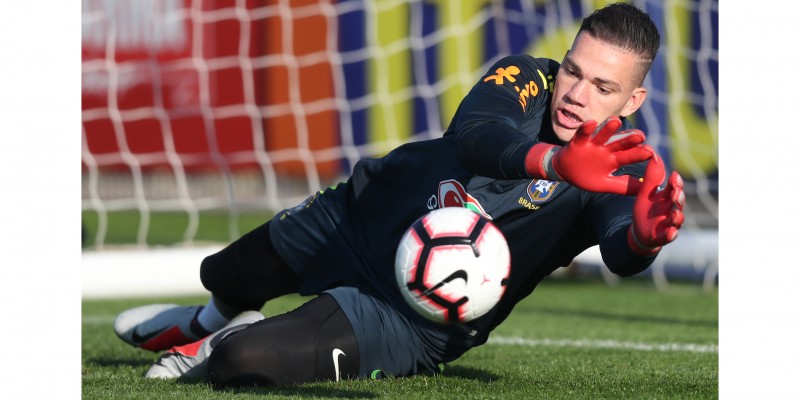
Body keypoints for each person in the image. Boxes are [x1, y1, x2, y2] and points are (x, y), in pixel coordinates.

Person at [113, 2, 684, 386]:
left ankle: (227, 337)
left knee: (242, 359)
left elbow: (620, 248)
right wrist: (556, 161)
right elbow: (477, 137)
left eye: (602, 86)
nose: (576, 94)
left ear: (632, 101)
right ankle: (207, 316)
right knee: (229, 273)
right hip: (361, 218)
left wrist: (644, 237)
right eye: (573, 71)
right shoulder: (527, 77)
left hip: (414, 316)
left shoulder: (630, 165)